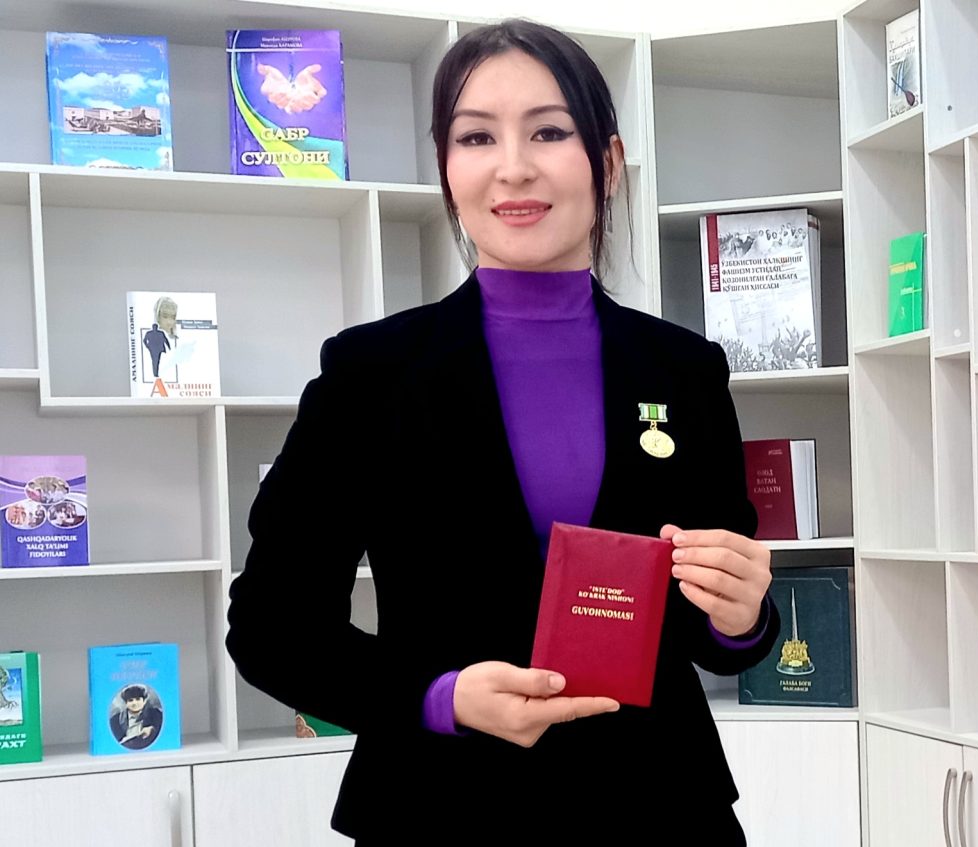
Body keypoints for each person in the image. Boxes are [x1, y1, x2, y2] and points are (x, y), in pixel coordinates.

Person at [226, 18, 779, 846]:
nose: (512, 165)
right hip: (440, 807)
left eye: (549, 131)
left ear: (609, 163)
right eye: (476, 136)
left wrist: (741, 616)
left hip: (660, 807)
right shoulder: (369, 374)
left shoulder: (683, 368)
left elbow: (718, 634)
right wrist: (437, 696)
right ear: (449, 171)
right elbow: (272, 626)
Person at [109, 684, 163, 750]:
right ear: (126, 703)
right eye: (130, 700)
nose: (134, 703)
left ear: (144, 701)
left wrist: (152, 730)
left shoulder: (156, 714)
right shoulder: (115, 720)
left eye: (138, 699)